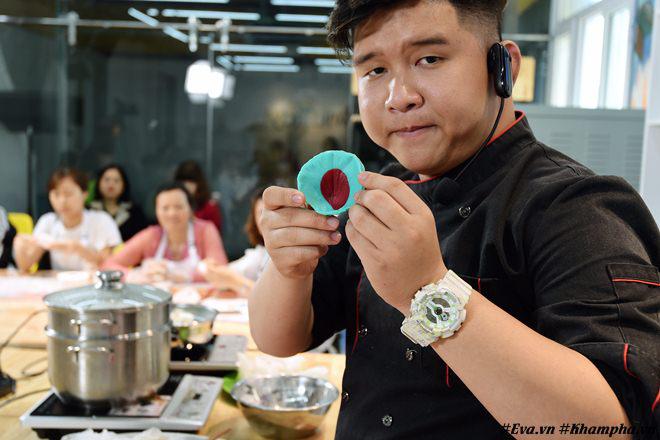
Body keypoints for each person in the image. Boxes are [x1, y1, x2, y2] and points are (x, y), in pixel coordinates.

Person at [249, 1, 659, 439]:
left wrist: (427, 290)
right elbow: (280, 340)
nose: (398, 97)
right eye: (375, 70)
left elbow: (610, 426)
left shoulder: (576, 206)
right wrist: (288, 267)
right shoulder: (377, 194)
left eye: (429, 59)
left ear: (503, 67)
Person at [104, 182, 228, 283]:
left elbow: (221, 270)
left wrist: (185, 276)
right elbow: (108, 265)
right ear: (156, 212)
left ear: (190, 209)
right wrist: (134, 275)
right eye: (165, 208)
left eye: (178, 207)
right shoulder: (150, 236)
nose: (172, 213)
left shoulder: (205, 230)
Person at [13, 168, 122, 272]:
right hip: (57, 282)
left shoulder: (101, 220)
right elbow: (26, 265)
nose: (62, 201)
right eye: (56, 194)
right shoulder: (47, 221)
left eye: (68, 194)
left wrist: (75, 247)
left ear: (84, 194)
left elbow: (107, 263)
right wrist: (20, 246)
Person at [204, 186, 269, 294]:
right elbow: (231, 271)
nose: (268, 219)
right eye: (261, 213)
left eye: (273, 212)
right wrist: (212, 268)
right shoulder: (261, 253)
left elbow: (271, 298)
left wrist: (234, 281)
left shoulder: (292, 252)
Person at [88, 164, 148, 241]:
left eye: (116, 181)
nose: (111, 184)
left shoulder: (135, 213)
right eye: (107, 180)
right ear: (99, 183)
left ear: (123, 185)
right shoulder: (89, 211)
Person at [174, 160, 223, 232]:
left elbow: (215, 232)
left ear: (199, 184)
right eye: (183, 182)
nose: (186, 186)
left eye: (191, 182)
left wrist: (195, 221)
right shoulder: (172, 206)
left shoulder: (209, 207)